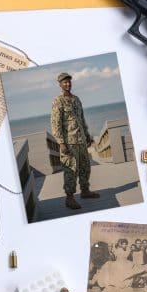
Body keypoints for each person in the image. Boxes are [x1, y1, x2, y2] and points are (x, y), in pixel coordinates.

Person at [50, 72, 100, 209]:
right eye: (64, 82)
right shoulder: (58, 101)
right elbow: (55, 124)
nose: (67, 84)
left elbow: (82, 119)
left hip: (81, 140)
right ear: (60, 84)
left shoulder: (76, 100)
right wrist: (61, 142)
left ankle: (85, 191)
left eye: (69, 82)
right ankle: (69, 197)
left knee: (85, 166)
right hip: (69, 142)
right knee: (70, 169)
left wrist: (87, 135)